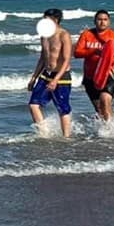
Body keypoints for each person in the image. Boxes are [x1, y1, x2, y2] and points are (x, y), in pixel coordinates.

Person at [74, 10, 114, 121]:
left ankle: (110, 130)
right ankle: (104, 132)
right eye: (99, 19)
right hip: (90, 77)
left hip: (107, 75)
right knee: (99, 109)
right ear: (94, 21)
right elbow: (77, 53)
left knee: (105, 100)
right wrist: (93, 51)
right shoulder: (87, 34)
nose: (102, 22)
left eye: (105, 20)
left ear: (109, 21)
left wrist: (107, 61)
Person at [28, 8, 73, 137]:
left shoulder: (64, 35)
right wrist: (34, 78)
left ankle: (66, 137)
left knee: (62, 108)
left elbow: (66, 60)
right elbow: (43, 58)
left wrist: (55, 80)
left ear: (55, 20)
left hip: (61, 76)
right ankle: (44, 134)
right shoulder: (44, 35)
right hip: (46, 74)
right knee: (34, 104)